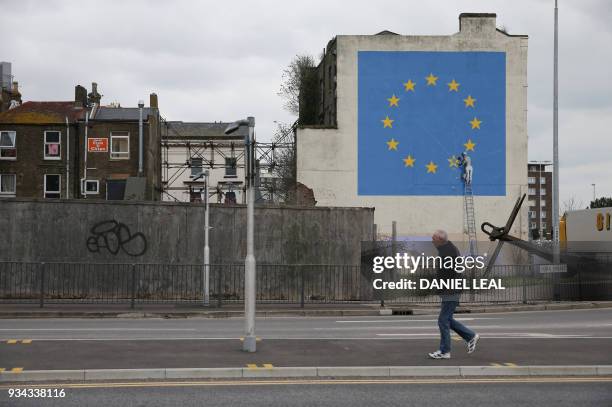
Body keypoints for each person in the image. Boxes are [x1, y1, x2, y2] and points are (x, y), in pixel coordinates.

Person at [428, 230, 479, 359]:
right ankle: (470, 336)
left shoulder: (448, 251)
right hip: (451, 289)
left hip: (451, 290)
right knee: (447, 319)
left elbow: (449, 273)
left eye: (433, 238)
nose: (432, 241)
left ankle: (445, 351)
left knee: (443, 320)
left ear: (440, 239)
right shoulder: (447, 249)